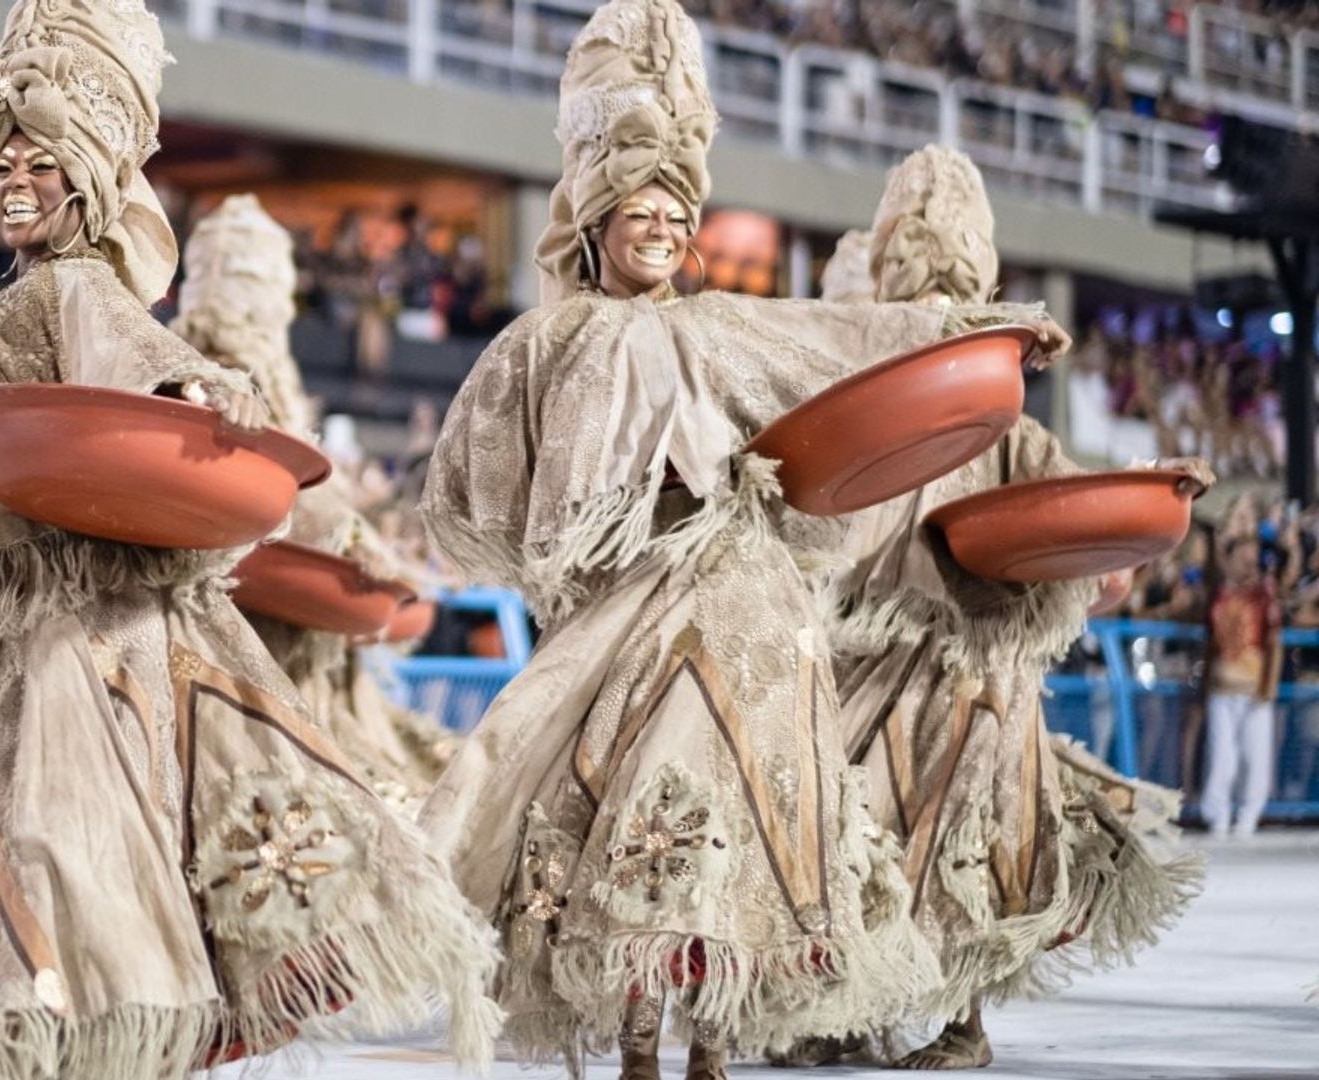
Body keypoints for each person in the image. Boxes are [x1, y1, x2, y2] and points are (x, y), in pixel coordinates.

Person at [0, 7, 497, 1078]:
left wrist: (184, 391)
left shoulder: (76, 287)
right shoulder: (29, 294)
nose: (16, 180)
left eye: (42, 160)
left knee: (39, 847)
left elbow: (138, 362)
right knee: (2, 853)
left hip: (52, 631)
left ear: (85, 177)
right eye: (5, 160)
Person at [416, 6, 1069, 1077]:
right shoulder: (541, 342)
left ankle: (713, 1043)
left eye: (679, 205)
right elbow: (477, 480)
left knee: (740, 822)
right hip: (626, 621)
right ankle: (638, 1044)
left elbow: (849, 338)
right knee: (634, 816)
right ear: (593, 216)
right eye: (639, 204)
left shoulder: (719, 326)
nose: (664, 223)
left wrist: (977, 330)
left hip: (748, 616)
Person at [813, 144, 1208, 1070]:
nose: (937, 320)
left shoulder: (1012, 429)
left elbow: (1066, 503)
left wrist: (1149, 490)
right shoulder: (867, 410)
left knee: (973, 845)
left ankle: (964, 1026)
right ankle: (844, 1012)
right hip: (863, 660)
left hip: (978, 669)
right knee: (852, 836)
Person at [170, 194, 455, 802]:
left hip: (294, 649)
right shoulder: (194, 383)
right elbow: (277, 494)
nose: (237, 304)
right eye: (228, 277)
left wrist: (361, 533)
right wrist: (354, 538)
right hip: (226, 645)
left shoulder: (263, 385)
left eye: (249, 281)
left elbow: (311, 493)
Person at [1203, 534, 1282, 839]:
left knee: (1254, 755)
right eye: (1243, 556)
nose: (1248, 563)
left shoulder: (1264, 595)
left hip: (1252, 688)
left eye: (1252, 557)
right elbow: (1210, 641)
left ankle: (1249, 815)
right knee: (1222, 754)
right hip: (1221, 687)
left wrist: (1268, 685)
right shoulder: (1218, 594)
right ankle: (1217, 814)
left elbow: (1274, 642)